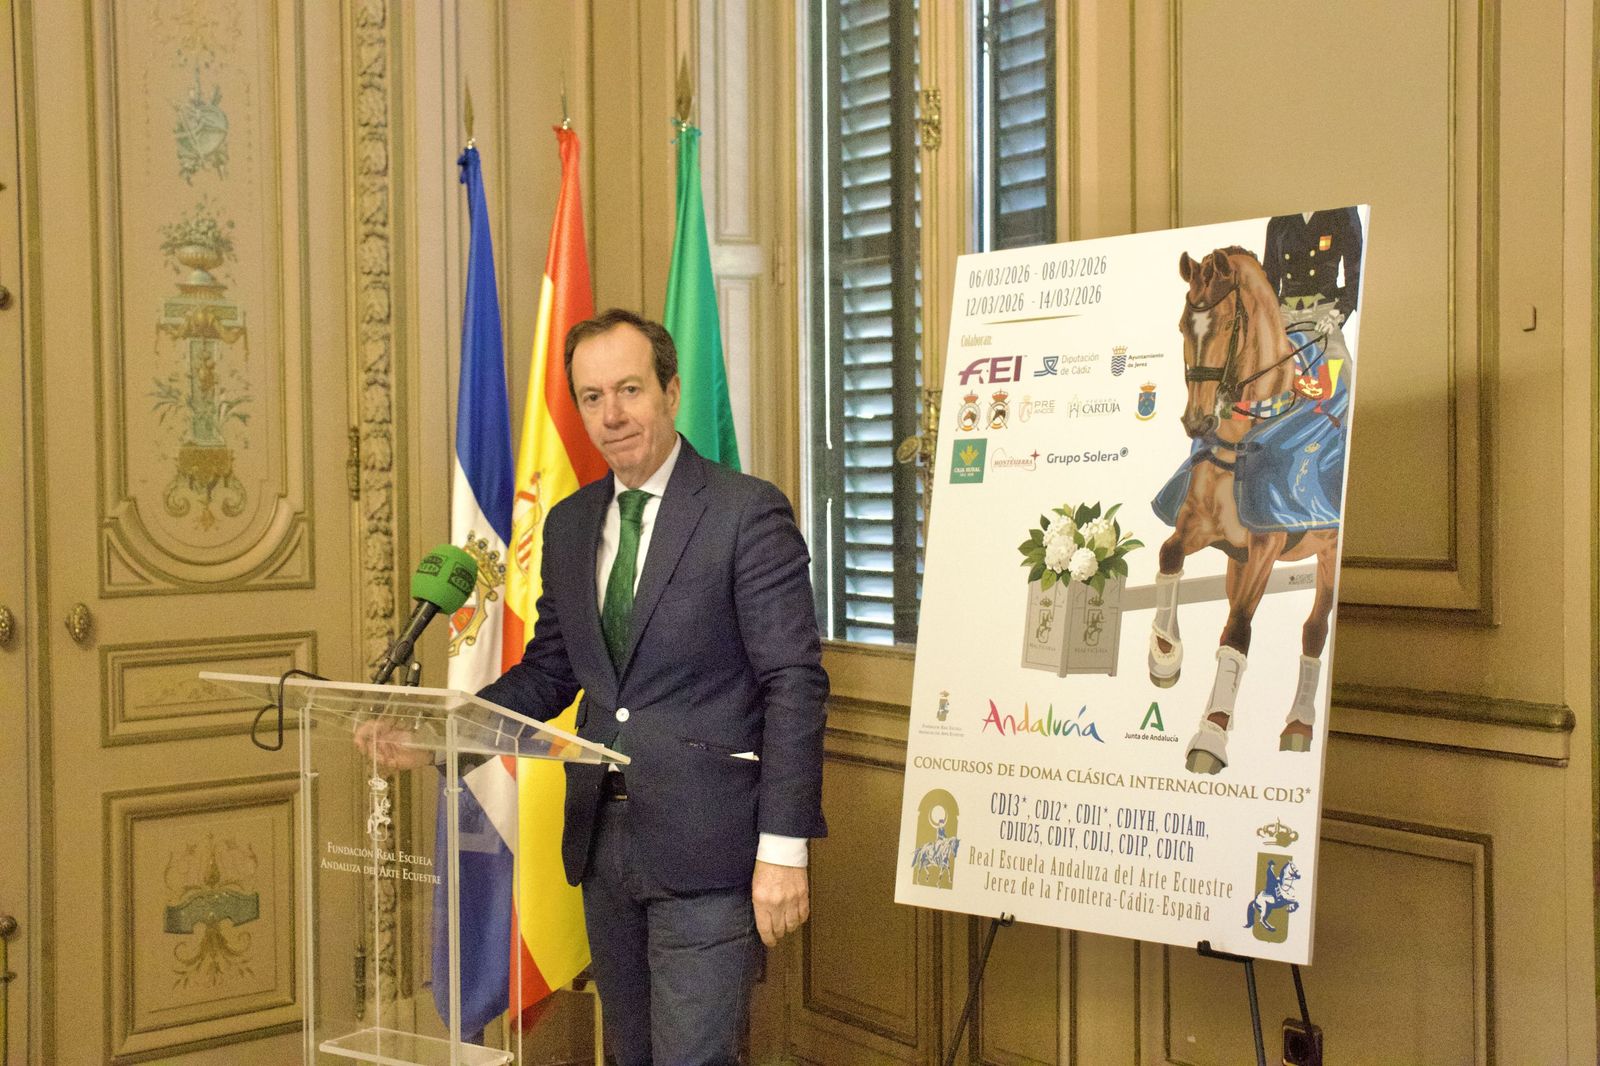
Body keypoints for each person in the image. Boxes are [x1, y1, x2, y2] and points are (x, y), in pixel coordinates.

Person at [476, 308, 826, 1065]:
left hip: (712, 849)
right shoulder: (571, 526)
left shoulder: (744, 511)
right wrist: (446, 729)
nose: (612, 414)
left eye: (630, 389)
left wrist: (784, 850)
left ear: (670, 390)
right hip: (605, 846)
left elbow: (792, 684)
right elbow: (551, 671)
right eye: (593, 397)